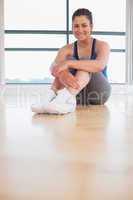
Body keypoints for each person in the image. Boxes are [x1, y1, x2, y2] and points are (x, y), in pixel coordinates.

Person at [31, 8, 111, 114]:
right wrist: (63, 73)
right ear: (72, 28)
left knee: (82, 62)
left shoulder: (102, 45)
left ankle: (60, 100)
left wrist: (68, 63)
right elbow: (53, 67)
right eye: (76, 26)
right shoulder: (66, 49)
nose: (80, 29)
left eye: (84, 25)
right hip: (76, 94)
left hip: (98, 94)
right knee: (62, 68)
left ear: (91, 26)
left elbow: (99, 65)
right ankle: (51, 98)